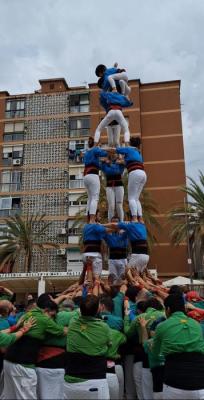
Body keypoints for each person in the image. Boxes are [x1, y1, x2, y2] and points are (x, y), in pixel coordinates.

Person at [3, 294, 67, 400]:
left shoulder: (29, 313)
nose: (53, 319)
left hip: (9, 361)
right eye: (52, 315)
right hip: (22, 365)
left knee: (10, 396)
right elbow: (62, 331)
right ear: (46, 310)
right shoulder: (44, 320)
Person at [151, 294, 204, 399]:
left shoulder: (162, 326)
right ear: (184, 308)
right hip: (200, 384)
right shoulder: (196, 325)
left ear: (168, 309)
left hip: (174, 383)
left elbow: (156, 354)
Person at [64, 295, 111, 399]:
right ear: (99, 309)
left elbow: (79, 313)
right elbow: (109, 344)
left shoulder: (72, 323)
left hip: (70, 385)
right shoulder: (104, 327)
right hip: (94, 382)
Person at [115, 136, 147, 222]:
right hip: (143, 174)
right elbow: (130, 163)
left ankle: (134, 218)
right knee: (136, 198)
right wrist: (122, 162)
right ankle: (140, 218)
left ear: (130, 143)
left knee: (131, 198)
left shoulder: (129, 149)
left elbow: (116, 149)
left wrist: (104, 149)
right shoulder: (138, 152)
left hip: (135, 173)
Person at [83, 137, 107, 223]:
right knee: (95, 198)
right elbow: (104, 153)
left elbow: (96, 164)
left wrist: (101, 162)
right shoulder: (95, 149)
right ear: (96, 143)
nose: (100, 145)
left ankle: (88, 218)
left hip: (86, 176)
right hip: (93, 175)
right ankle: (92, 219)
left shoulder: (87, 152)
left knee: (90, 198)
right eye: (100, 144)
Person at [101, 157, 125, 222]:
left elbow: (117, 171)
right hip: (109, 186)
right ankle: (109, 222)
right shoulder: (105, 163)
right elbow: (107, 171)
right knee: (111, 206)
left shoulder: (120, 162)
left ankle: (121, 222)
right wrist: (107, 162)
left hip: (119, 185)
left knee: (119, 205)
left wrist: (112, 164)